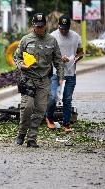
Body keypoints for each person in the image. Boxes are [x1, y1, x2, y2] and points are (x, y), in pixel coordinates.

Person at [14, 13, 64, 148]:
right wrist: (21, 65)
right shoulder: (26, 40)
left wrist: (60, 76)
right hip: (28, 78)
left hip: (44, 80)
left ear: (45, 25)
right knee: (27, 107)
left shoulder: (52, 41)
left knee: (40, 110)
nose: (40, 29)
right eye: (37, 27)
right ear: (33, 26)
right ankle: (21, 133)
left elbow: (58, 61)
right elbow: (16, 57)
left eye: (42, 26)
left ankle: (32, 139)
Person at [45, 15, 83, 132]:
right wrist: (59, 58)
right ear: (58, 26)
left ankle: (66, 124)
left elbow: (80, 53)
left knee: (67, 99)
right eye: (62, 28)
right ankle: (49, 118)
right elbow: (47, 54)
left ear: (69, 27)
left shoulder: (76, 37)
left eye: (66, 28)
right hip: (56, 72)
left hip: (70, 72)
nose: (64, 30)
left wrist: (75, 58)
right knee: (52, 97)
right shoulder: (52, 36)